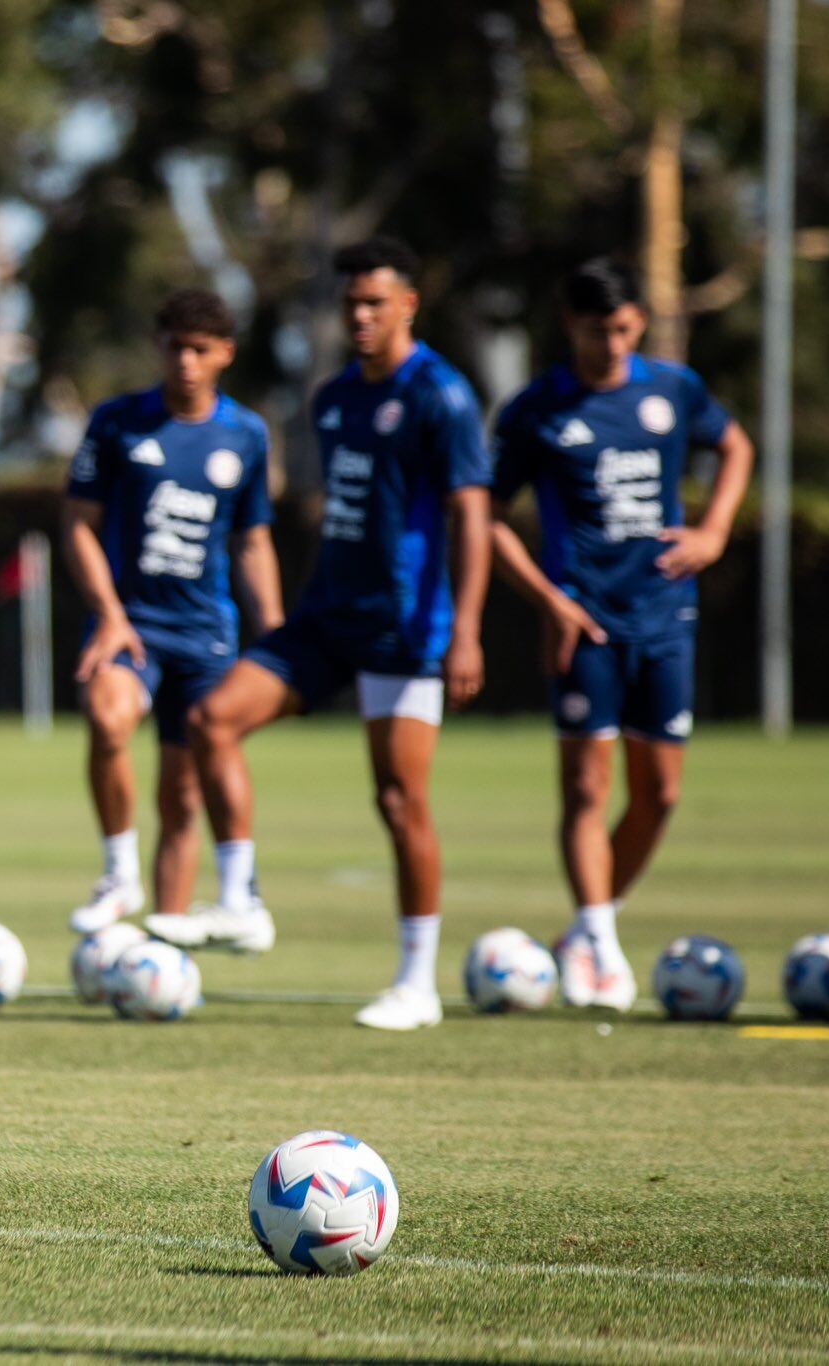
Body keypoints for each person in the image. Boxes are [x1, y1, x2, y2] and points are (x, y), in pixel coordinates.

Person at [162, 238, 492, 1033]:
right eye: (351, 304)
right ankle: (242, 902)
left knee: (399, 798)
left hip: (404, 626)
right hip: (325, 617)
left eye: (376, 302)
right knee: (212, 719)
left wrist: (468, 629)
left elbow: (472, 513)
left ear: (409, 304)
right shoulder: (335, 398)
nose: (362, 316)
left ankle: (416, 982)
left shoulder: (441, 396)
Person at [488, 257, 753, 1009]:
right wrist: (547, 600)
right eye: (598, 329)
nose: (612, 343)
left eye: (625, 328)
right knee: (585, 787)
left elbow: (735, 446)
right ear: (570, 324)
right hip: (587, 623)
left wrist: (715, 530)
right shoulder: (537, 409)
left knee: (661, 793)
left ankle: (586, 926)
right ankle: (602, 946)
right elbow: (485, 515)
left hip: (667, 615)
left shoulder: (672, 389)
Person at [61, 288, 282, 934]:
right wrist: (108, 612)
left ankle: (169, 942)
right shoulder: (116, 422)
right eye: (175, 347)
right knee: (108, 719)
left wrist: (272, 631)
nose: (185, 361)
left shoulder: (245, 435)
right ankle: (118, 872)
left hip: (206, 634)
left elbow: (252, 538)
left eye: (200, 350)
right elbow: (77, 522)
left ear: (224, 355)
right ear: (158, 347)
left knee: (183, 795)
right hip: (130, 626)